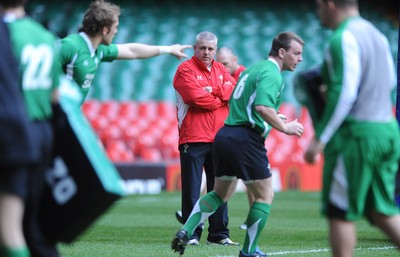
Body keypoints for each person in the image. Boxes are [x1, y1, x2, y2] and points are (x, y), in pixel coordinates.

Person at [171, 31, 305, 257]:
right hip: (245, 138)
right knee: (264, 196)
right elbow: (262, 107)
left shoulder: (253, 69)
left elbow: (238, 98)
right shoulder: (272, 74)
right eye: (297, 53)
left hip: (224, 135)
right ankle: (249, 251)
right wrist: (286, 127)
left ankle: (186, 231)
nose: (300, 58)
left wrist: (274, 115)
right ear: (282, 52)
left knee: (219, 193)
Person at [304, 1, 400, 256]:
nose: (317, 11)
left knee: (340, 212)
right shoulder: (377, 34)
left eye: (318, 6)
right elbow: (390, 80)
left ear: (330, 4)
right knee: (381, 210)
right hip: (386, 131)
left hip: (357, 137)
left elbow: (345, 92)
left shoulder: (342, 37)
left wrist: (320, 138)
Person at [0, 1, 62, 257]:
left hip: (11, 130)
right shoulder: (46, 35)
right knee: (30, 221)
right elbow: (55, 96)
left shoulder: (7, 33)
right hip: (41, 130)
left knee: (11, 225)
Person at [173, 31, 238, 246]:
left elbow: (232, 90)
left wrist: (213, 92)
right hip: (193, 137)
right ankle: (191, 233)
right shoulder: (184, 69)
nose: (206, 52)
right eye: (202, 48)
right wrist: (218, 97)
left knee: (219, 188)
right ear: (195, 48)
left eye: (210, 49)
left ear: (215, 50)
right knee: (192, 190)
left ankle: (219, 234)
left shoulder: (221, 69)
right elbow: (194, 97)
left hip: (219, 138)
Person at [60, 0, 192, 104]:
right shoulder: (71, 46)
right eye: (115, 27)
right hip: (55, 114)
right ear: (105, 30)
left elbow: (132, 51)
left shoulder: (99, 50)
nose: (116, 31)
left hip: (70, 113)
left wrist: (169, 49)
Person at [216, 46, 252, 230]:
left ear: (235, 59)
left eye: (225, 64)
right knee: (231, 179)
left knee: (252, 180)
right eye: (219, 64)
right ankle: (197, 212)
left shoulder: (244, 76)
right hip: (233, 135)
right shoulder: (223, 75)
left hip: (246, 135)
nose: (222, 67)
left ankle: (252, 220)